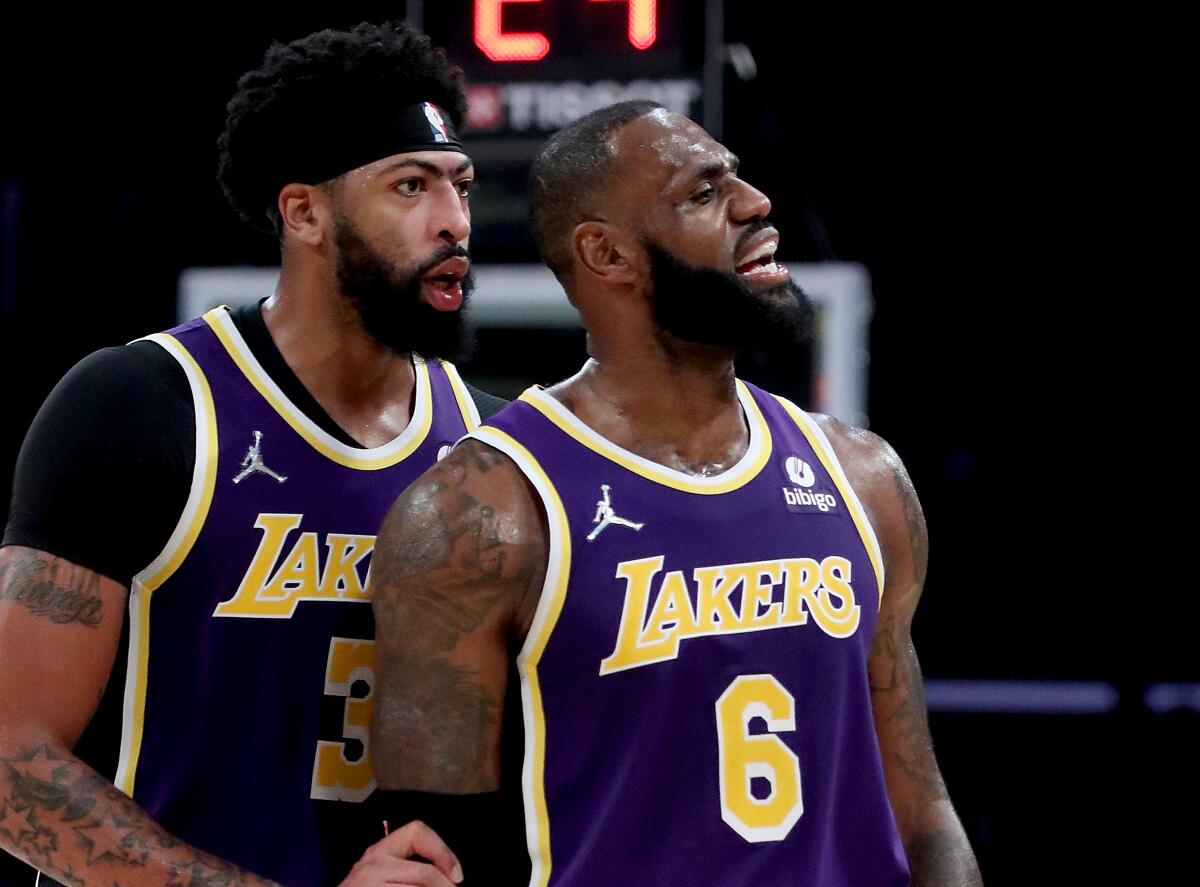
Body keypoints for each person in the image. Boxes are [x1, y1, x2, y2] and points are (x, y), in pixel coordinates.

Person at [368, 101, 984, 885]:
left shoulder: (862, 476)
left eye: (738, 178)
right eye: (703, 193)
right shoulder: (481, 512)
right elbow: (438, 857)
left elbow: (923, 810)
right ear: (608, 254)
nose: (755, 203)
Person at [0, 21, 505, 887]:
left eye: (459, 185)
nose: (453, 220)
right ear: (303, 212)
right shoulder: (142, 406)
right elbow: (10, 763)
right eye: (410, 186)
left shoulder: (492, 451)